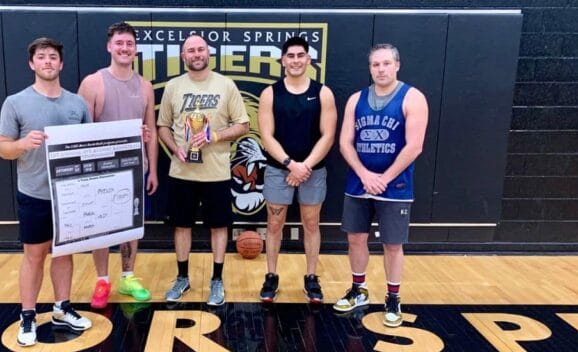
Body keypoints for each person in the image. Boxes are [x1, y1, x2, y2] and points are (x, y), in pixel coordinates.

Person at [0, 37, 93, 346]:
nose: (48, 61)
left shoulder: (77, 103)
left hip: (69, 194)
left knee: (64, 253)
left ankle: (62, 307)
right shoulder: (15, 102)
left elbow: (90, 144)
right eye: (42, 57)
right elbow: (3, 149)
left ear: (61, 64)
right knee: (34, 256)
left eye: (53, 56)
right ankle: (27, 315)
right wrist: (23, 144)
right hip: (35, 194)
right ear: (32, 64)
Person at [333, 44, 428, 327]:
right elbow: (344, 143)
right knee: (355, 239)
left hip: (395, 186)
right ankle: (359, 289)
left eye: (386, 63)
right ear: (370, 68)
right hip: (359, 182)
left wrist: (383, 179)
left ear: (397, 65)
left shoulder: (413, 97)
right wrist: (364, 174)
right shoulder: (356, 100)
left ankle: (392, 297)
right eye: (376, 65)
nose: (381, 69)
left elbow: (415, 146)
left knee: (392, 244)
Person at [157, 34, 250, 306]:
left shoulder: (225, 85)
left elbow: (243, 125)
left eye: (200, 49)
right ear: (183, 56)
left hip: (216, 172)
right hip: (182, 171)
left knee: (219, 226)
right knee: (181, 226)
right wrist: (175, 148)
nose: (196, 54)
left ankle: (217, 280)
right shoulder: (173, 86)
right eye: (190, 51)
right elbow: (162, 126)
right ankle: (182, 277)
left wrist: (214, 136)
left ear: (208, 53)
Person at [77, 22, 158, 309]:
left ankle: (128, 276)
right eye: (119, 43)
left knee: (132, 226)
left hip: (135, 167)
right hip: (101, 169)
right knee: (101, 227)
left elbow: (152, 130)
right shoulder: (92, 83)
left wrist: (154, 170)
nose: (124, 48)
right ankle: (102, 279)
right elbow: (81, 131)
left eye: (129, 44)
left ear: (135, 50)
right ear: (109, 46)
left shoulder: (145, 86)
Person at [257, 36, 336, 303]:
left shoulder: (323, 93)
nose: (295, 60)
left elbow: (328, 135)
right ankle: (271, 276)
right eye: (290, 56)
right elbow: (266, 136)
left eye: (300, 55)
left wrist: (305, 166)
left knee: (311, 224)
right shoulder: (270, 93)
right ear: (282, 61)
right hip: (279, 170)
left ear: (309, 59)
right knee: (274, 223)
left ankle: (311, 278)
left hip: (313, 170)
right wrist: (291, 165)